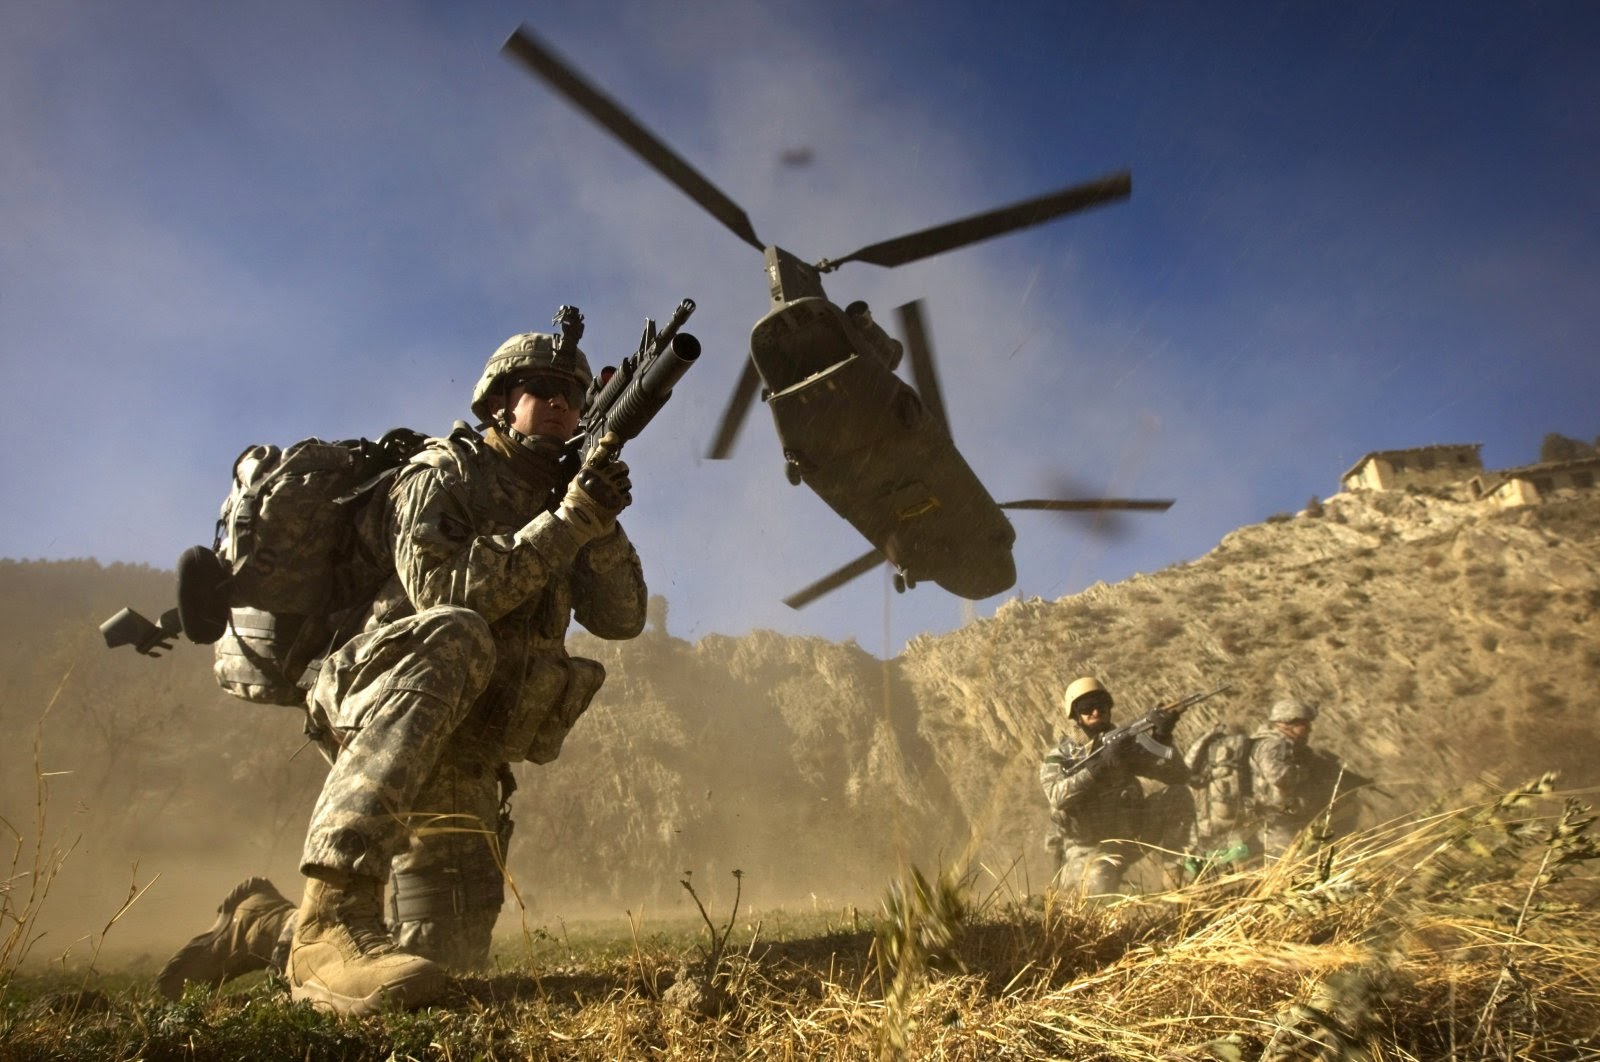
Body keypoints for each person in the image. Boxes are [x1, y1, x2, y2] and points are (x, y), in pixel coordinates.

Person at [157, 318, 648, 1013]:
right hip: (386, 699)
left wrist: (597, 522)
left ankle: (261, 926)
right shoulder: (442, 474)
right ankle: (329, 918)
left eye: (572, 393)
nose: (562, 403)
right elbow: (445, 595)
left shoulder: (563, 501)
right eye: (542, 389)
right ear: (500, 403)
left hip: (469, 754)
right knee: (458, 632)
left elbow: (623, 618)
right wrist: (569, 521)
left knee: (435, 965)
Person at [1039, 676, 1189, 897]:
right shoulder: (1060, 758)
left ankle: (1176, 882)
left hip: (1131, 835)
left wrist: (1162, 737)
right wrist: (1099, 767)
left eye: (1100, 705)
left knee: (1178, 796)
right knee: (1096, 895)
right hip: (1087, 849)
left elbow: (1177, 776)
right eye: (1086, 708)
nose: (1096, 712)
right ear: (1075, 715)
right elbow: (1057, 796)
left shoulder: (1122, 746)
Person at [1249, 696, 1354, 860]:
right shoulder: (1274, 744)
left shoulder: (1290, 746)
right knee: (1291, 867)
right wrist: (1305, 771)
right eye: (1304, 725)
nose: (1309, 730)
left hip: (1293, 819)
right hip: (1278, 822)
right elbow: (1277, 775)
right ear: (1288, 724)